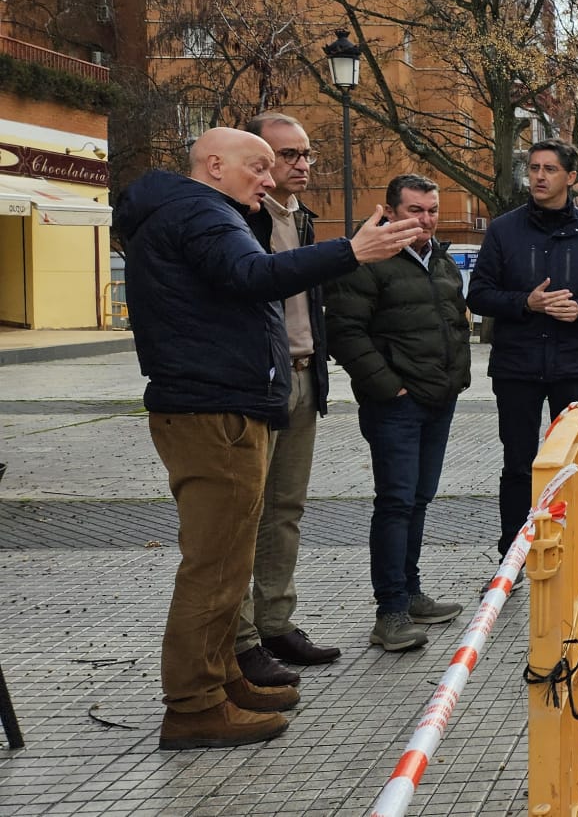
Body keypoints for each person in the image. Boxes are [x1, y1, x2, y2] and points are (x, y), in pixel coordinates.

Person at [115, 128, 424, 750]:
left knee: (230, 560)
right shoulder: (200, 211)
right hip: (214, 408)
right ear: (213, 164)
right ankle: (195, 704)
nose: (267, 177)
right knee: (216, 564)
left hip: (219, 403)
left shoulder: (198, 210)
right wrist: (350, 251)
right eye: (257, 166)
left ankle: (224, 678)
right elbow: (251, 275)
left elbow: (238, 282)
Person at [325, 175, 472, 653]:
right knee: (395, 502)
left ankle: (410, 593)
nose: (424, 219)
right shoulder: (367, 260)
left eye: (431, 210)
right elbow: (345, 332)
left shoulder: (442, 261)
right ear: (388, 211)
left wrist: (457, 379)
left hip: (438, 401)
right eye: (414, 210)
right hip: (397, 407)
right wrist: (391, 388)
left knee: (419, 499)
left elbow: (456, 322)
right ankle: (389, 611)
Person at [467, 140, 578, 559]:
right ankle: (513, 558)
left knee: (576, 468)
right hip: (516, 367)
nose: (538, 176)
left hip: (574, 366)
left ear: (571, 177)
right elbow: (479, 295)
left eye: (549, 169)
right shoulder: (504, 229)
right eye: (534, 168)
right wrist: (525, 302)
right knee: (518, 466)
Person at [231, 113, 340, 690]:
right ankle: (241, 638)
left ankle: (275, 622)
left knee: (285, 510)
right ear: (259, 162)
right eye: (287, 155)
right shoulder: (241, 220)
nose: (301, 164)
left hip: (303, 375)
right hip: (259, 382)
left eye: (306, 153)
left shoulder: (302, 219)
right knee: (245, 514)